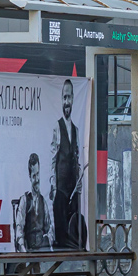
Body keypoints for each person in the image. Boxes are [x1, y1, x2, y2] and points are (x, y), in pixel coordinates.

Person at [51, 79, 86, 250]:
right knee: (61, 238)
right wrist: (53, 186)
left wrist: (79, 181)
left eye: (69, 97)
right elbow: (53, 159)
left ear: (73, 99)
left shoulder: (76, 130)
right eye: (64, 97)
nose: (66, 101)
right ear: (61, 99)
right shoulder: (57, 127)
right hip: (60, 191)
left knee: (74, 237)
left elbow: (77, 159)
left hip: (73, 190)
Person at [14, 153, 51, 252]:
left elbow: (49, 227)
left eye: (38, 174)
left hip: (42, 250)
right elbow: (19, 228)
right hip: (28, 250)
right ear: (30, 177)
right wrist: (23, 250)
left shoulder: (43, 201)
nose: (37, 179)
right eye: (34, 176)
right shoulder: (25, 200)